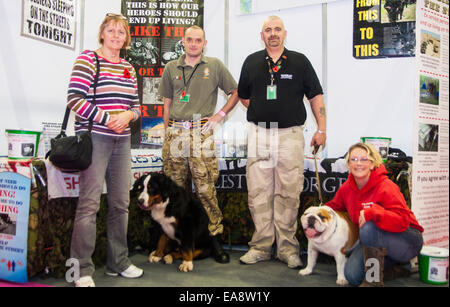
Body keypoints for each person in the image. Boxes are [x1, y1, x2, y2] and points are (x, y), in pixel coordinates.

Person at [237, 16, 327, 268]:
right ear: (261, 35)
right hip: (259, 135)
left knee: (289, 192)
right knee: (258, 193)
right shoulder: (252, 62)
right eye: (268, 30)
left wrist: (322, 128)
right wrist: (264, 111)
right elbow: (244, 97)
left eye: (277, 29)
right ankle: (261, 247)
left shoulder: (299, 61)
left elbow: (316, 97)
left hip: (290, 136)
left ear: (285, 33)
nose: (273, 33)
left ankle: (287, 249)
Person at [67, 13, 142, 287]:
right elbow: (74, 99)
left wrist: (128, 117)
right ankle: (80, 270)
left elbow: (136, 106)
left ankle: (118, 262)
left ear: (126, 38)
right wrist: (107, 117)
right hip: (95, 140)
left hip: (121, 141)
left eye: (121, 32)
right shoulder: (88, 59)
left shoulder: (128, 68)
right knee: (88, 206)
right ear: (102, 34)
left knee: (121, 204)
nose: (116, 36)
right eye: (111, 30)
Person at [158, 25, 240, 263]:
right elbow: (167, 101)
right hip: (175, 133)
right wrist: (167, 131)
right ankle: (174, 242)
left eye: (198, 40)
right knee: (174, 192)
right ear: (183, 42)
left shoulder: (213, 65)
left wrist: (219, 116)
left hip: (200, 133)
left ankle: (214, 241)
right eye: (189, 40)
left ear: (205, 43)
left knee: (205, 190)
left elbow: (235, 92)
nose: (193, 44)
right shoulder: (171, 67)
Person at [325, 143, 424, 286]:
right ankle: (399, 267)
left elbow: (403, 221)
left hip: (407, 240)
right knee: (352, 275)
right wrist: (313, 213)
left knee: (369, 227)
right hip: (374, 243)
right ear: (348, 164)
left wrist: (372, 212)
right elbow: (333, 207)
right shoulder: (347, 188)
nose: (358, 163)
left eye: (364, 159)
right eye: (354, 159)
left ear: (372, 164)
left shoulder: (387, 186)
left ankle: (373, 281)